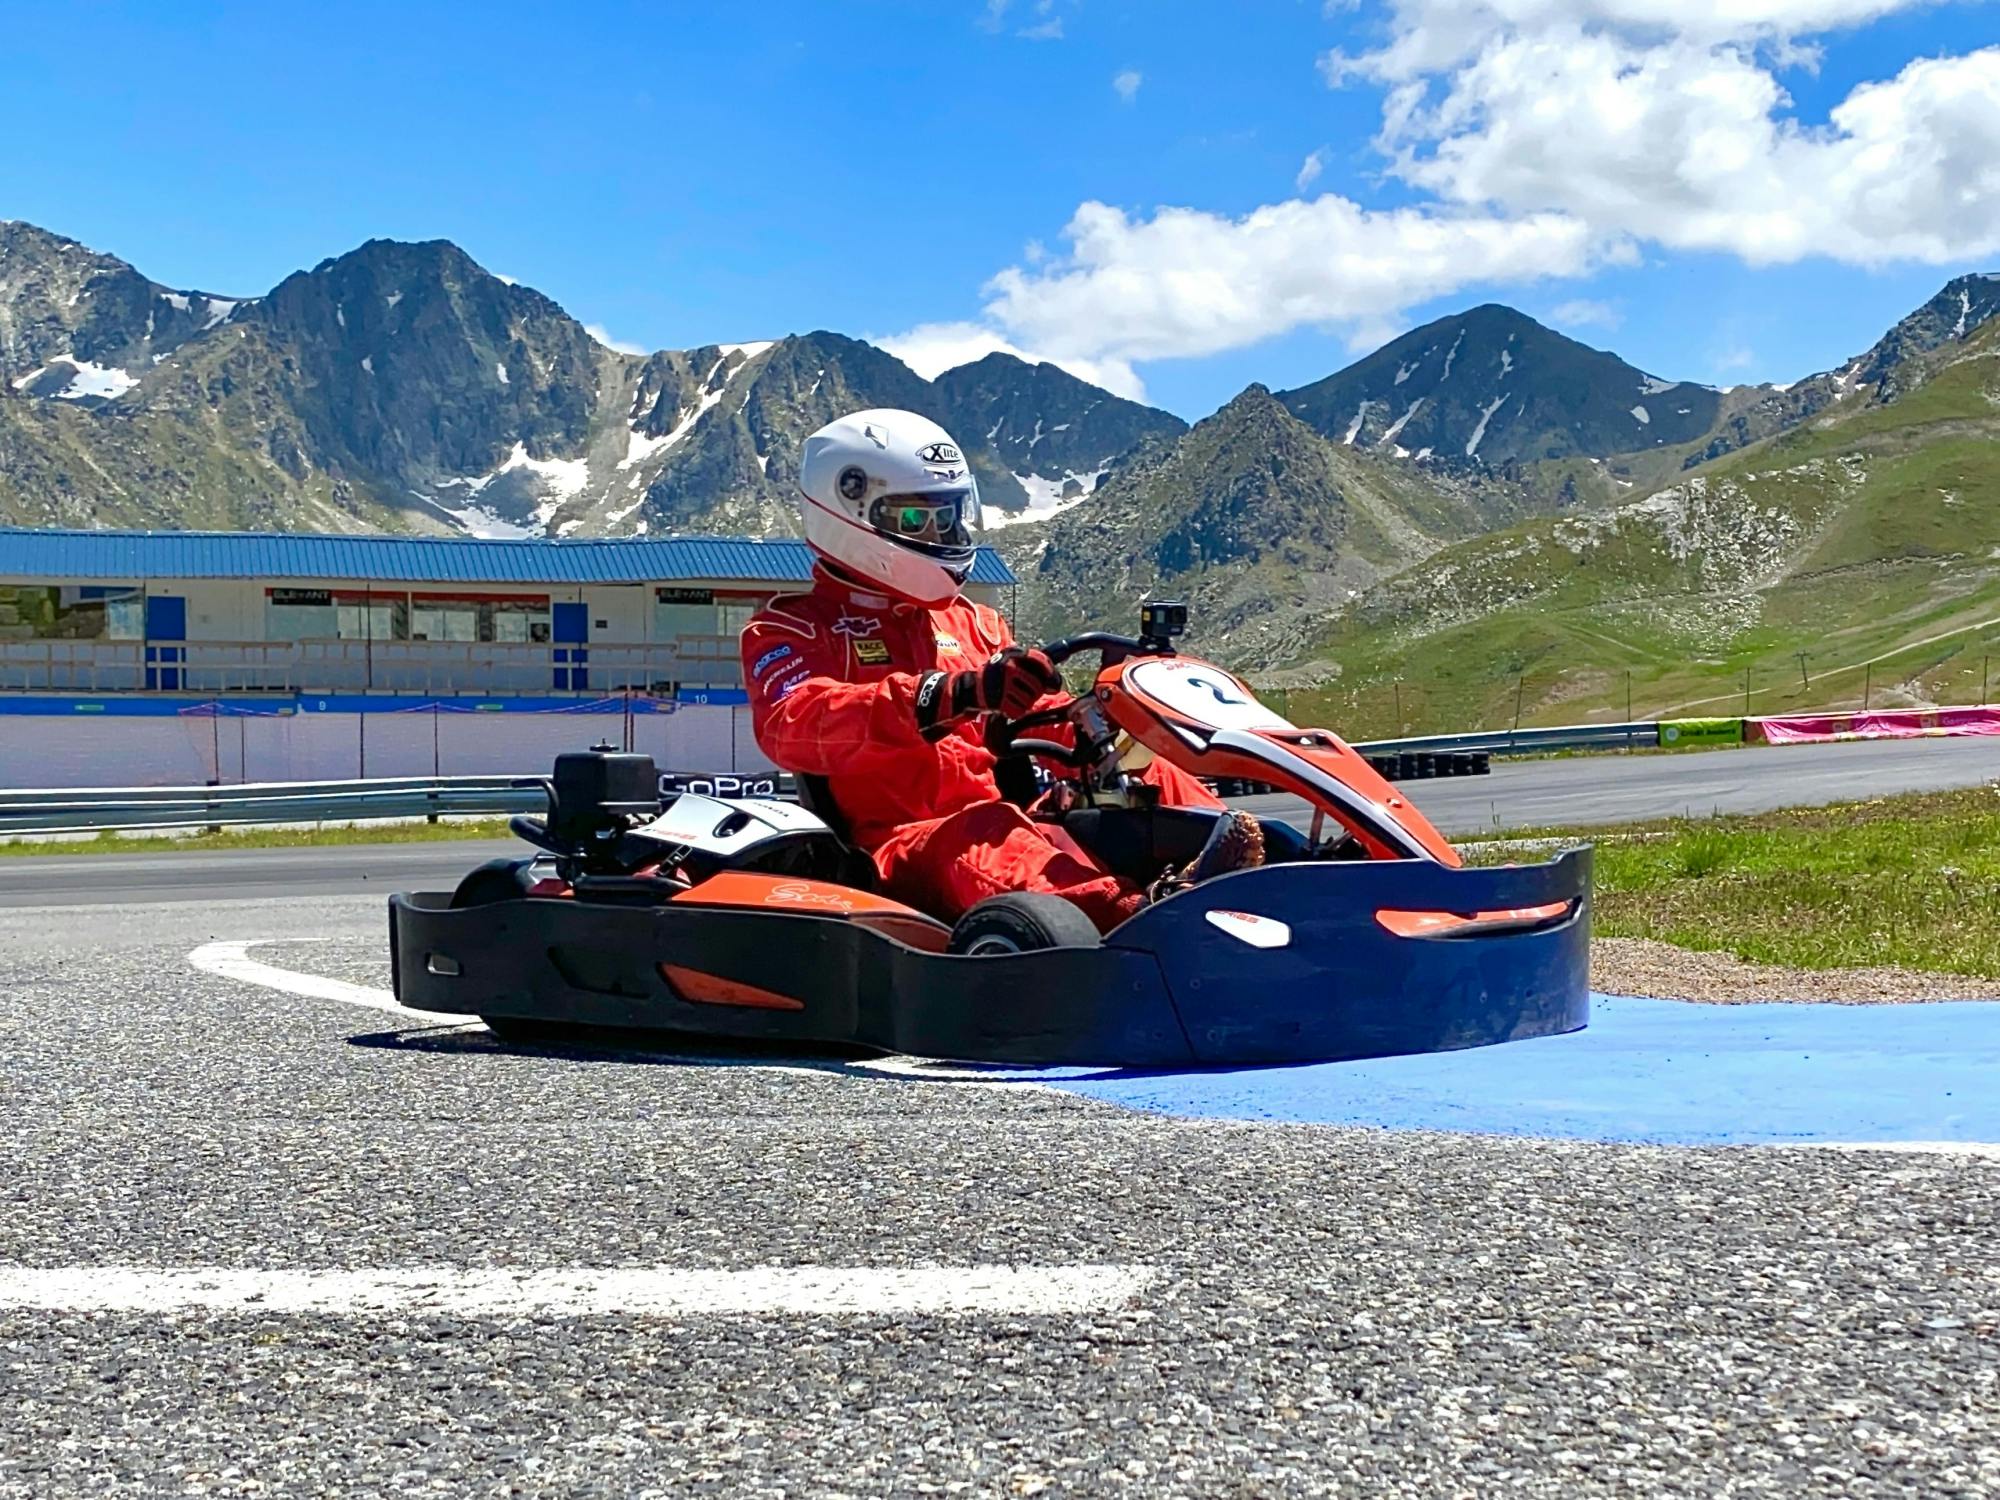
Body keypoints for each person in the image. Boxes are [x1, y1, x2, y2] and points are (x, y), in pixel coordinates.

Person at [738, 408, 1264, 933]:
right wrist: (948, 693)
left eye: (951, 515)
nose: (946, 532)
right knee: (986, 831)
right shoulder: (793, 628)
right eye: (921, 519)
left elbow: (1029, 716)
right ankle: (1149, 915)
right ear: (849, 513)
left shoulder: (973, 623)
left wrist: (1095, 722)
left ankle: (1275, 865)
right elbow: (796, 724)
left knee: (1146, 769)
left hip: (1010, 822)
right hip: (901, 845)